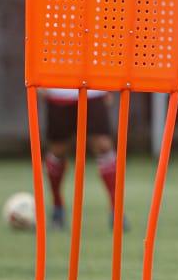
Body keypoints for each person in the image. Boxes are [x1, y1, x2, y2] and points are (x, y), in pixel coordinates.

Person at [41, 88, 128, 232]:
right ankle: (57, 207)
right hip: (58, 90)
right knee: (58, 150)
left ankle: (117, 211)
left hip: (94, 90)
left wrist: (110, 85)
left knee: (103, 145)